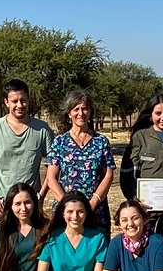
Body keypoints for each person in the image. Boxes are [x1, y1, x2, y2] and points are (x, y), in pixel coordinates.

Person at [0, 79, 54, 237]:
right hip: (2, 204)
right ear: (6, 102)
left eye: (23, 100)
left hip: (30, 206)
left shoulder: (42, 129)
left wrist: (41, 196)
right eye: (14, 101)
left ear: (28, 100)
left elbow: (53, 166)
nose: (19, 105)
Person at [120, 94, 163, 267]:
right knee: (143, 241)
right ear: (150, 116)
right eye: (158, 113)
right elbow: (127, 173)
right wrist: (135, 201)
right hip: (145, 206)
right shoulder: (140, 137)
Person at [46, 90, 116, 239]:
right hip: (66, 215)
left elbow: (108, 175)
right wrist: (68, 206)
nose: (81, 113)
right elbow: (51, 178)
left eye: (84, 108)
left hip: (96, 212)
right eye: (76, 109)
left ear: (90, 112)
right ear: (69, 113)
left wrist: (92, 203)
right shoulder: (59, 142)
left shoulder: (101, 142)